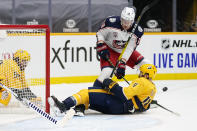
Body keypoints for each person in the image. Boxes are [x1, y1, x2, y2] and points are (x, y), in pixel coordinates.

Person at [48, 64, 157, 115]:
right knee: (92, 98)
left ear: (146, 75)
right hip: (120, 109)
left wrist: (110, 84)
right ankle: (79, 109)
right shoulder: (153, 88)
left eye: (141, 72)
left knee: (86, 93)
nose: (140, 74)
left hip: (117, 104)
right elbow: (144, 107)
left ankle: (62, 106)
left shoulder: (143, 81)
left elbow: (124, 94)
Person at [94, 7, 151, 88]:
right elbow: (100, 33)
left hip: (125, 51)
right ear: (121, 18)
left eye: (128, 22)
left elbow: (129, 49)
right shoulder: (111, 22)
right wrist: (100, 44)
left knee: (147, 65)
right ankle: (95, 92)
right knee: (107, 73)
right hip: (110, 50)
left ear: (132, 21)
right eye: (124, 21)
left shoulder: (138, 31)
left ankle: (142, 88)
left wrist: (122, 62)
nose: (125, 24)